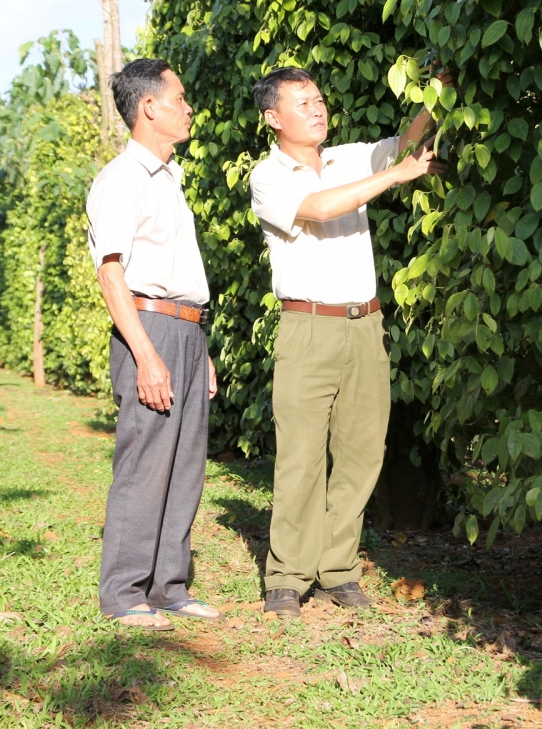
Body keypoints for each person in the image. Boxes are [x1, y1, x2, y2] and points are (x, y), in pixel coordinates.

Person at [249, 66, 447, 618]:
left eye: (318, 99)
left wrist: (438, 94)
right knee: (301, 457)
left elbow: (404, 144)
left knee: (362, 453)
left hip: (365, 326)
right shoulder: (269, 175)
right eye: (302, 102)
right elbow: (318, 208)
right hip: (308, 327)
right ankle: (286, 576)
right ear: (273, 118)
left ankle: (338, 569)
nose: (317, 108)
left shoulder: (347, 157)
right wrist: (396, 177)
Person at [87, 58, 220, 630]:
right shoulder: (121, 179)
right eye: (180, 98)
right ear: (149, 107)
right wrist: (145, 354)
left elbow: (179, 271)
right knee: (145, 463)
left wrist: (201, 347)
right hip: (149, 328)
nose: (188, 107)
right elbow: (112, 273)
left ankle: (168, 585)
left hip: (186, 328)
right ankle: (124, 593)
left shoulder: (171, 177)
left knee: (185, 462)